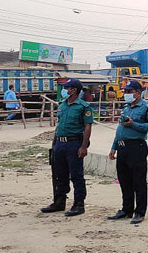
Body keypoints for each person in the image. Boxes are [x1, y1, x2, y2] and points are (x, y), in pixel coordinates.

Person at [107, 80, 148, 224]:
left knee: (138, 181)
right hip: (122, 148)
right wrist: (114, 146)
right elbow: (120, 129)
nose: (127, 94)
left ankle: (140, 212)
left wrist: (134, 124)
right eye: (126, 91)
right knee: (124, 180)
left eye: (130, 92)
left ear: (138, 92)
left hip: (136, 147)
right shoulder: (126, 108)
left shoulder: (146, 108)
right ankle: (126, 209)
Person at [40, 79, 93, 217]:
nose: (64, 90)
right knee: (59, 174)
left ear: (74, 89)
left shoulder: (83, 106)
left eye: (67, 88)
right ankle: (59, 201)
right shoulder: (62, 105)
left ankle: (79, 204)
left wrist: (83, 146)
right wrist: (54, 142)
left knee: (76, 175)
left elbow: (87, 127)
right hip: (60, 143)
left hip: (74, 143)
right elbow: (59, 125)